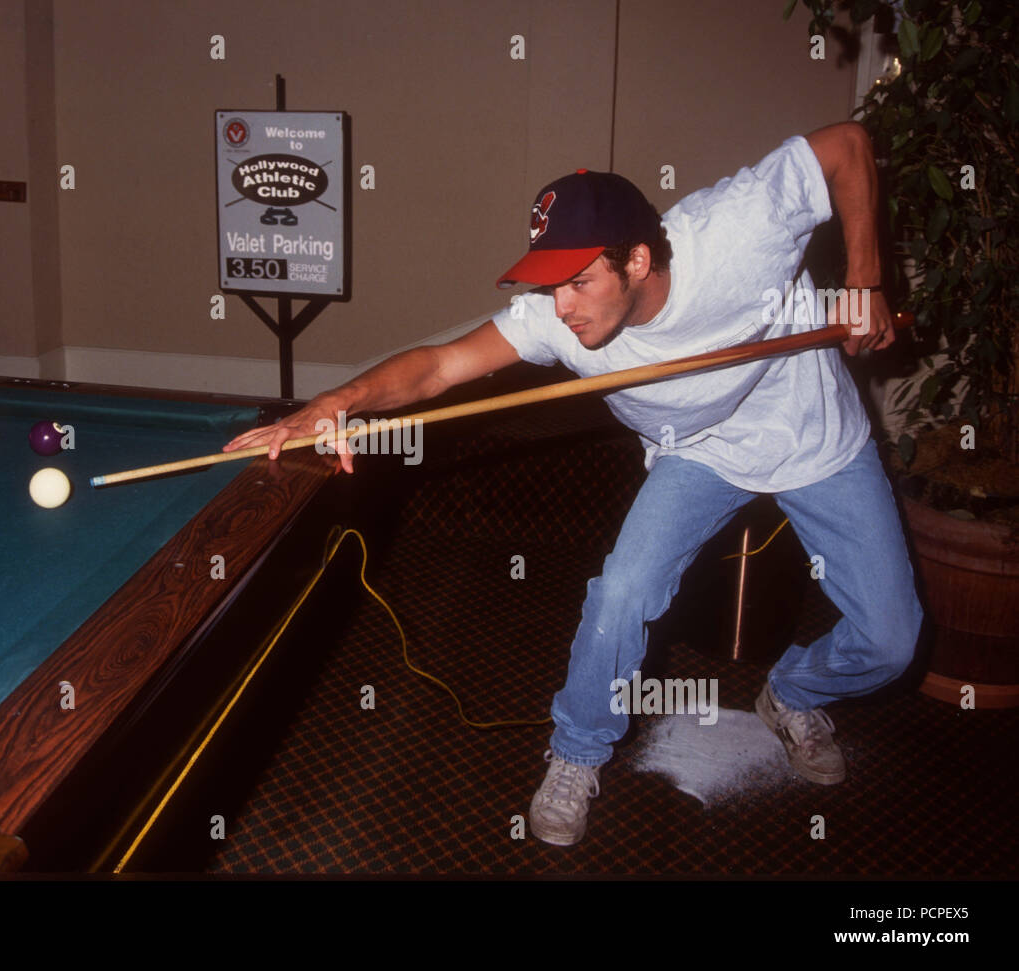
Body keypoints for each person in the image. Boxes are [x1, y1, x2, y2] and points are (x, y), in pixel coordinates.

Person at [223, 121, 923, 847]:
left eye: (580, 280)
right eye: (551, 284)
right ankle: (576, 750)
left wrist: (865, 281)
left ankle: (796, 691)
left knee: (893, 640)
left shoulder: (737, 230)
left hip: (812, 430)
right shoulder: (557, 318)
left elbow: (845, 145)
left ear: (639, 259)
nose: (562, 306)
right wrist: (334, 403)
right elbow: (436, 367)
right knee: (622, 591)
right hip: (698, 450)